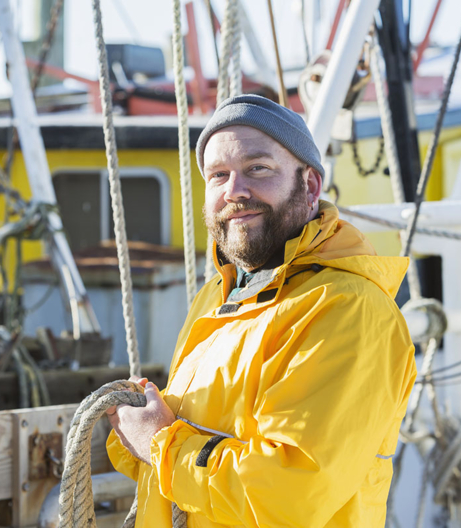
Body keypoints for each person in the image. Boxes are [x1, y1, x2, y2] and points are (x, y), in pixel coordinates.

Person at [106, 94, 416, 527]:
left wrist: (161, 442)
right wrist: (136, 431)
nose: (235, 192)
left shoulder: (349, 311)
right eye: (218, 176)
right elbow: (189, 460)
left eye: (258, 169)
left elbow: (290, 493)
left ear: (309, 187)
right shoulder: (218, 296)